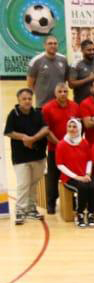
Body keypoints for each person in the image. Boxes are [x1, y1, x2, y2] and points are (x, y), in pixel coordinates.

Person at [4, 88, 49, 224]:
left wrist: (33, 139)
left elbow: (45, 128)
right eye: (24, 99)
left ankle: (31, 209)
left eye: (29, 98)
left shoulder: (37, 113)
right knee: (23, 184)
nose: (27, 101)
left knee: (33, 184)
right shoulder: (13, 114)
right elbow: (8, 132)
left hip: (38, 155)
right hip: (21, 157)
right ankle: (20, 210)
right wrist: (24, 137)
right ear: (19, 100)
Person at [41, 82, 79, 215]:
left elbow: (78, 127)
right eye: (60, 92)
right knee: (53, 177)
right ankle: (51, 203)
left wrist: (73, 144)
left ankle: (71, 201)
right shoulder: (47, 108)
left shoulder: (75, 106)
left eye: (65, 91)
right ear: (55, 93)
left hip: (71, 149)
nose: (63, 94)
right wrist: (60, 145)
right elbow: (46, 130)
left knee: (71, 176)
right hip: (54, 149)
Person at [56, 118, 94, 227]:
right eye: (69, 126)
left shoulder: (84, 143)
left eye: (74, 127)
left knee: (93, 186)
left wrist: (87, 174)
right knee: (82, 188)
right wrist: (77, 177)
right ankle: (79, 214)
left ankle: (91, 213)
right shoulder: (61, 144)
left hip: (84, 175)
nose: (71, 129)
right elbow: (60, 165)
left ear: (79, 128)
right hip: (69, 178)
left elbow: (89, 160)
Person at [27, 36, 69, 106]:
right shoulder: (36, 61)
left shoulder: (63, 60)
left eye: (55, 43)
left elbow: (65, 79)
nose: (53, 46)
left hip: (60, 102)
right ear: (44, 45)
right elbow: (30, 84)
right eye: (50, 43)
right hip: (43, 104)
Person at [69, 38, 94, 103]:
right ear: (82, 50)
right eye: (89, 50)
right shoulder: (76, 65)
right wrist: (89, 79)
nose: (92, 52)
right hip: (80, 102)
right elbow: (71, 85)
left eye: (93, 49)